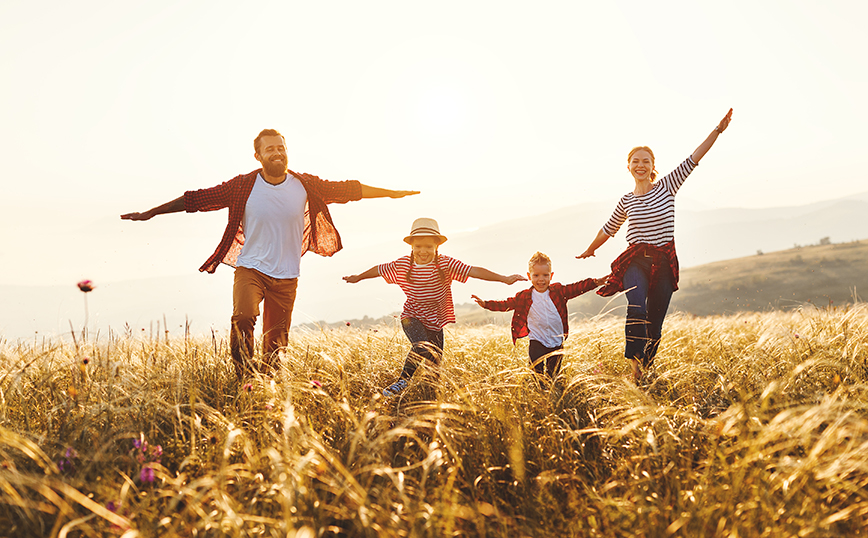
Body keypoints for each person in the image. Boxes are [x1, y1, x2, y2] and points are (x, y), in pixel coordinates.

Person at [121, 129, 418, 378]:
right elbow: (197, 199)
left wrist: (391, 193)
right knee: (244, 317)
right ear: (258, 156)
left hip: (287, 276)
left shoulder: (306, 185)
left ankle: (266, 386)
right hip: (250, 268)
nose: (277, 153)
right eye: (270, 149)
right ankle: (244, 377)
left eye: (281, 148)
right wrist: (151, 213)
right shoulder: (242, 186)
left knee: (276, 344)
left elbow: (348, 190)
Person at [577, 109, 734, 383]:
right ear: (628, 167)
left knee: (655, 324)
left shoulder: (667, 186)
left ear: (653, 166)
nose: (641, 165)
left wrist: (717, 131)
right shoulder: (626, 201)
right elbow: (608, 228)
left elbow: (694, 158)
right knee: (636, 308)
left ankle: (644, 370)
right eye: (635, 161)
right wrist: (591, 249)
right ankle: (634, 364)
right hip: (636, 261)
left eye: (646, 161)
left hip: (663, 262)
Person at [342, 218, 526, 397]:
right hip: (411, 316)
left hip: (436, 322)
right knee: (422, 345)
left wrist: (504, 278)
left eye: (428, 246)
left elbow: (473, 270)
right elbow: (379, 269)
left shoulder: (445, 263)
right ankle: (403, 381)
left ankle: (429, 401)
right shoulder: (404, 264)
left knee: (434, 368)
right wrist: (358, 277)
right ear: (411, 247)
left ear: (437, 246)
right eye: (418, 246)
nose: (423, 251)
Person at [471, 252, 607, 388]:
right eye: (536, 275)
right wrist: (486, 304)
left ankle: (552, 393)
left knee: (552, 375)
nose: (541, 279)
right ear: (529, 276)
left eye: (545, 275)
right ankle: (540, 391)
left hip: (556, 341)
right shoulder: (525, 296)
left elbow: (577, 287)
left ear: (551, 276)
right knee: (536, 371)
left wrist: (595, 282)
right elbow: (506, 304)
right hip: (537, 340)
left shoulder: (558, 291)